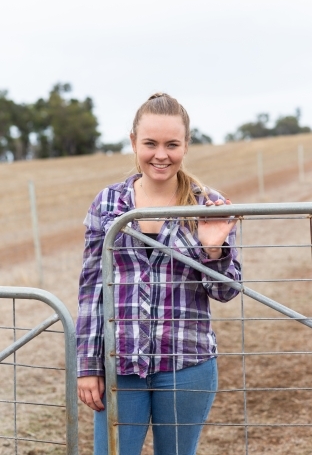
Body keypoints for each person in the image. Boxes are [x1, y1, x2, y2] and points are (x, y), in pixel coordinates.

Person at [76, 93, 241, 455]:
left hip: (187, 363)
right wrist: (88, 365)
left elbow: (227, 292)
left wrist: (213, 249)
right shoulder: (107, 203)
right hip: (122, 364)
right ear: (134, 142)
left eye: (172, 144)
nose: (161, 155)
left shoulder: (208, 204)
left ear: (186, 146)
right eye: (150, 143)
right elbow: (91, 289)